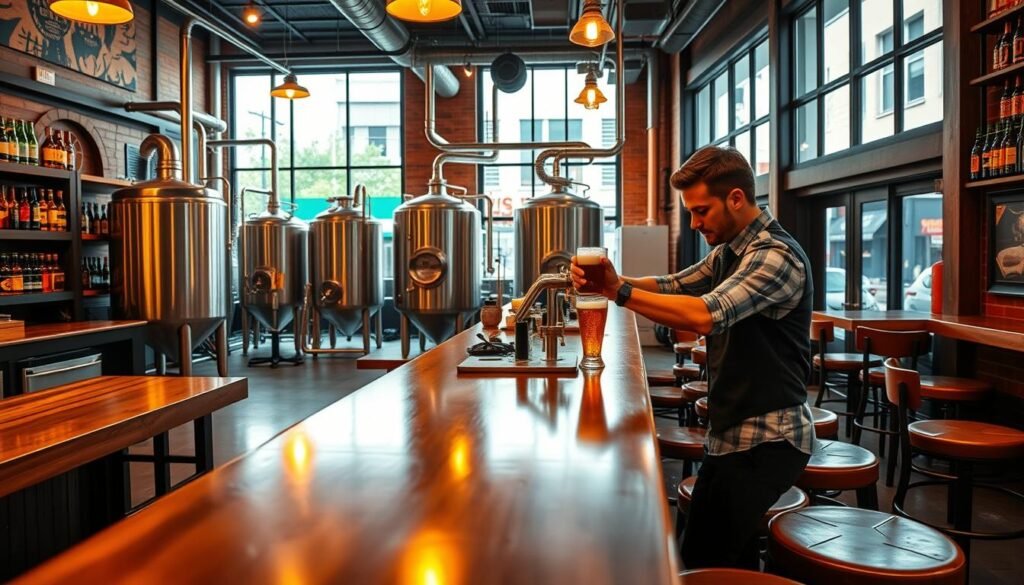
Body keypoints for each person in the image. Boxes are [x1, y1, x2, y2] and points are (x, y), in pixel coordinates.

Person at [570, 145, 815, 570]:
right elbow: (674, 285)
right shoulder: (729, 253)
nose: (694, 223)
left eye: (701, 211)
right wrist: (615, 278)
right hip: (733, 430)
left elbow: (706, 314)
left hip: (769, 437)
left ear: (736, 198)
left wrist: (618, 292)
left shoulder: (775, 256)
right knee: (725, 559)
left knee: (702, 559)